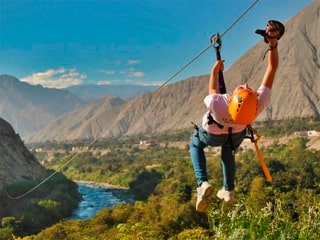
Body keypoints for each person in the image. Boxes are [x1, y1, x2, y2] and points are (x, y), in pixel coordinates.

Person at [189, 20, 285, 212]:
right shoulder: (257, 105)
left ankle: (202, 183)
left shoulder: (219, 103)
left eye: (243, 88)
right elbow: (272, 69)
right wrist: (273, 43)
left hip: (212, 135)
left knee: (195, 144)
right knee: (228, 153)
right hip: (235, 135)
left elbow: (213, 88)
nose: (246, 85)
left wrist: (214, 70)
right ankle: (228, 190)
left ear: (233, 98)